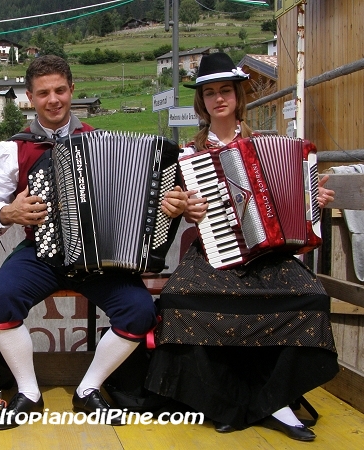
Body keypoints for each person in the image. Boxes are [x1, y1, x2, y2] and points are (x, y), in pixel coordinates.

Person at [0, 55, 188, 429]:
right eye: (43, 93)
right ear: (29, 98)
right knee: (0, 299)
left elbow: (145, 201)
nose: (53, 99)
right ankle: (29, 393)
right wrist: (9, 213)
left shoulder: (102, 142)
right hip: (40, 253)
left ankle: (88, 389)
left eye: (60, 90)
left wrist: (170, 205)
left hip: (100, 257)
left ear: (72, 90)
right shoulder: (14, 148)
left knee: (139, 311)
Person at [144, 52, 339, 442]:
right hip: (215, 251)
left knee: (311, 297)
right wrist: (179, 205)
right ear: (201, 101)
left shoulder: (269, 144)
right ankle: (224, 401)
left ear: (237, 96)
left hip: (271, 253)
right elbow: (171, 208)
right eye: (210, 92)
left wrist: (313, 199)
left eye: (226, 91)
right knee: (180, 299)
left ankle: (275, 399)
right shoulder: (187, 155)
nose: (219, 99)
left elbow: (299, 197)